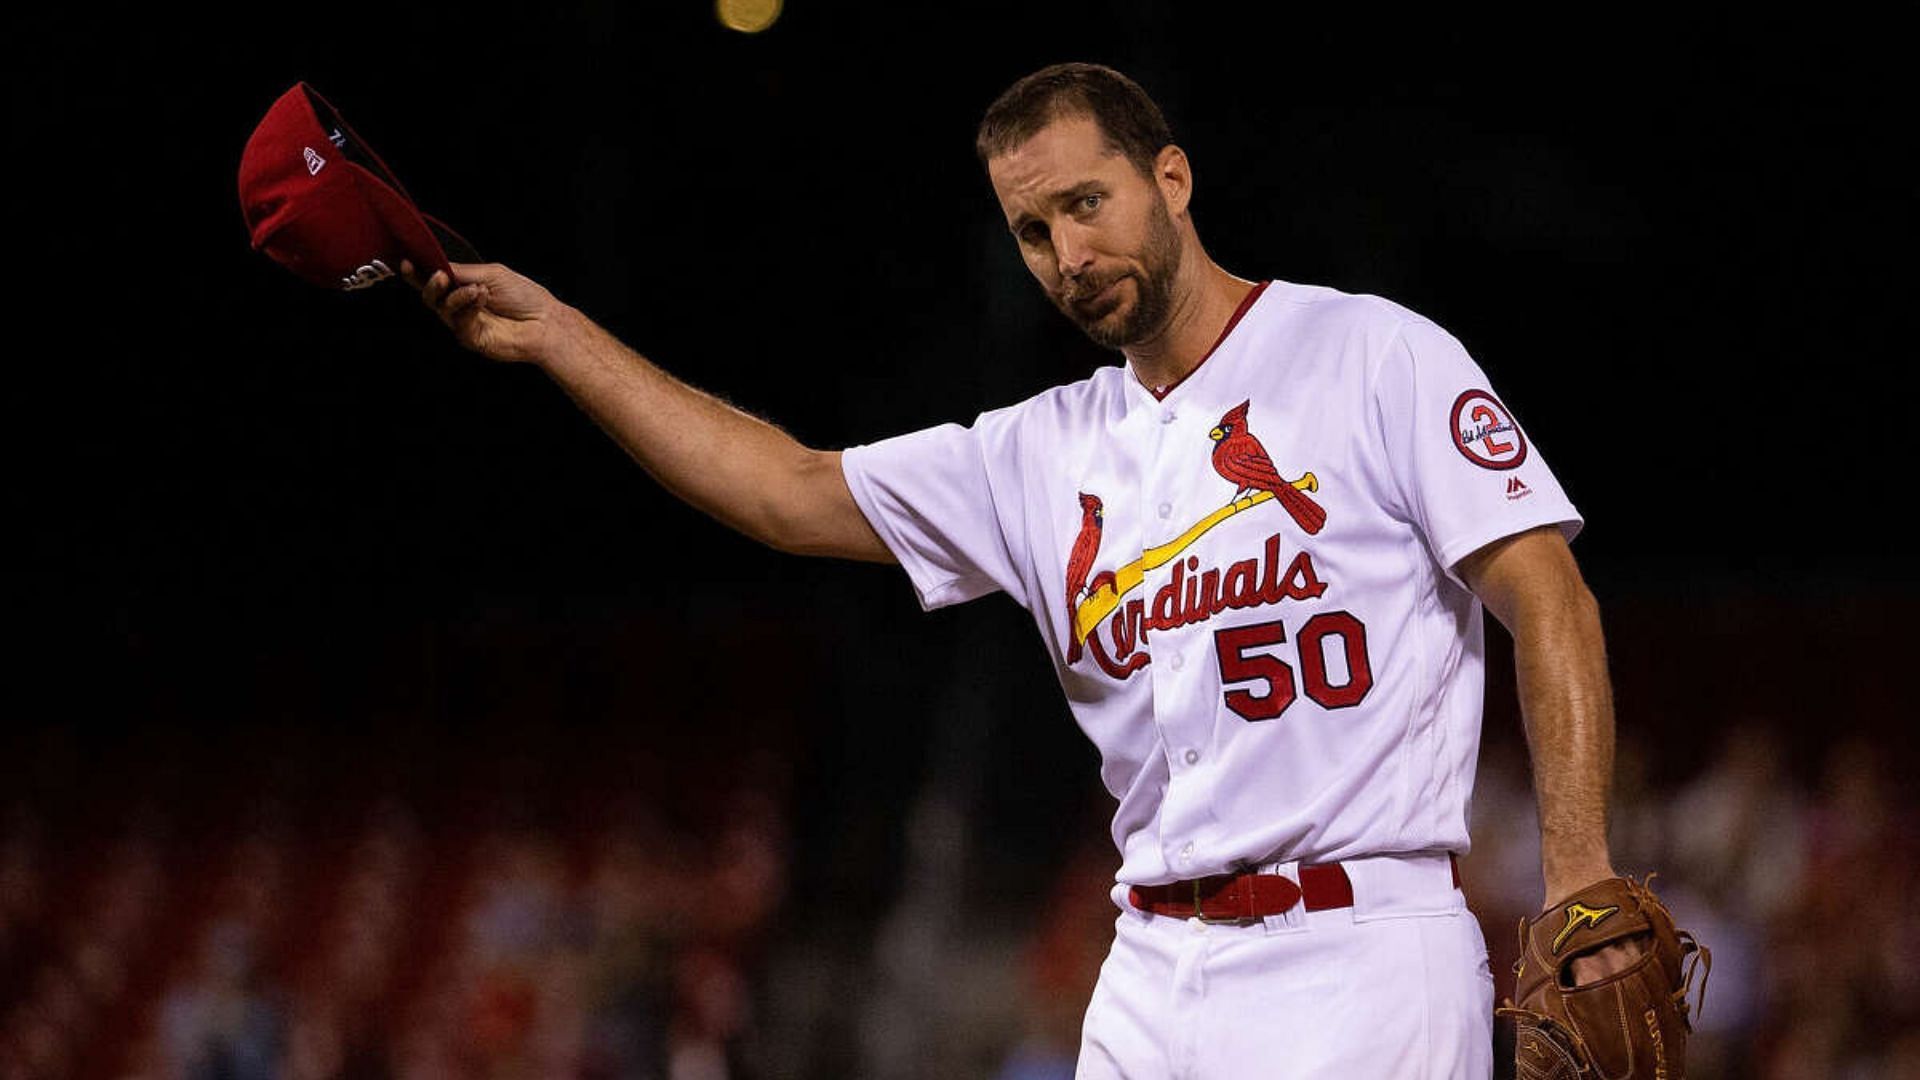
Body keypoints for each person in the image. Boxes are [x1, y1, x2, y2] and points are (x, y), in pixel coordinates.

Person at [404, 62, 1638, 1078]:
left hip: (1364, 952)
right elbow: (788, 491)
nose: (1067, 251)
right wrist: (563, 338)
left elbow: (1548, 596)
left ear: (1173, 177)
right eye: (1033, 231)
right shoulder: (1040, 452)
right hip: (1149, 970)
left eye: (1088, 203)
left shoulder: (1372, 355)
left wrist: (1577, 869)